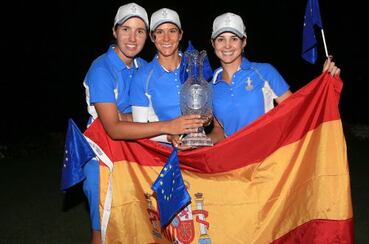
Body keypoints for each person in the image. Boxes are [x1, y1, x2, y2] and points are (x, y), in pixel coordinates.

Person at [82, 3, 203, 243]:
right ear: (115, 31)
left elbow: (136, 118)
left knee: (137, 226)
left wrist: (167, 133)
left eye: (139, 31)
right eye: (126, 29)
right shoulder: (101, 69)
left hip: (134, 155)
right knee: (104, 229)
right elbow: (113, 127)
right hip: (102, 158)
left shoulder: (141, 67)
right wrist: (167, 126)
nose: (132, 37)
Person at [207, 12, 340, 143]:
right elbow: (219, 130)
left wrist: (321, 84)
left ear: (244, 42)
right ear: (213, 44)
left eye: (234, 38)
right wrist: (205, 140)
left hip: (268, 159)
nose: (227, 45)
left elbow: (297, 109)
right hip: (234, 161)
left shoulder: (264, 72)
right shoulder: (209, 87)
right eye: (221, 39)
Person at [130, 8, 210, 149]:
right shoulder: (142, 77)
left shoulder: (196, 65)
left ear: (180, 35)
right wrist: (169, 134)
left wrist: (207, 118)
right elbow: (140, 128)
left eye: (172, 31)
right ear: (152, 37)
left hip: (200, 149)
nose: (166, 38)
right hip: (162, 155)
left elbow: (208, 111)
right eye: (160, 32)